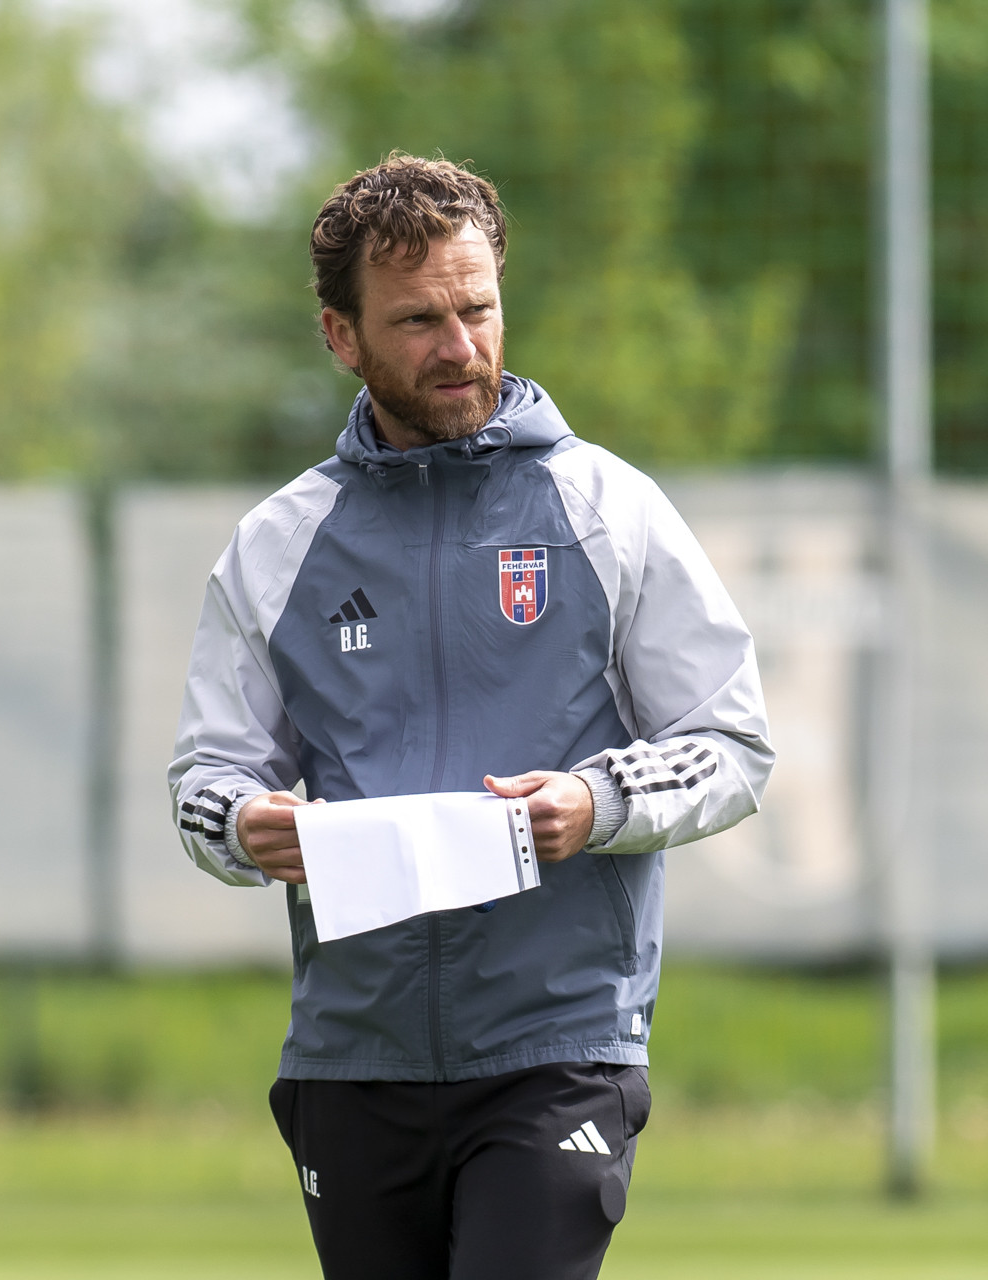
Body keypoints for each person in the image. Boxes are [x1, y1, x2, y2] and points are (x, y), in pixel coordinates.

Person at [167, 154, 772, 1279]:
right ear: (341, 336)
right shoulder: (279, 542)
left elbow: (732, 742)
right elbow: (205, 780)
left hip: (556, 1048)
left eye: (477, 309)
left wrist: (597, 800)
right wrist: (245, 825)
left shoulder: (607, 507)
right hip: (353, 1056)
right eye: (417, 321)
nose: (459, 346)